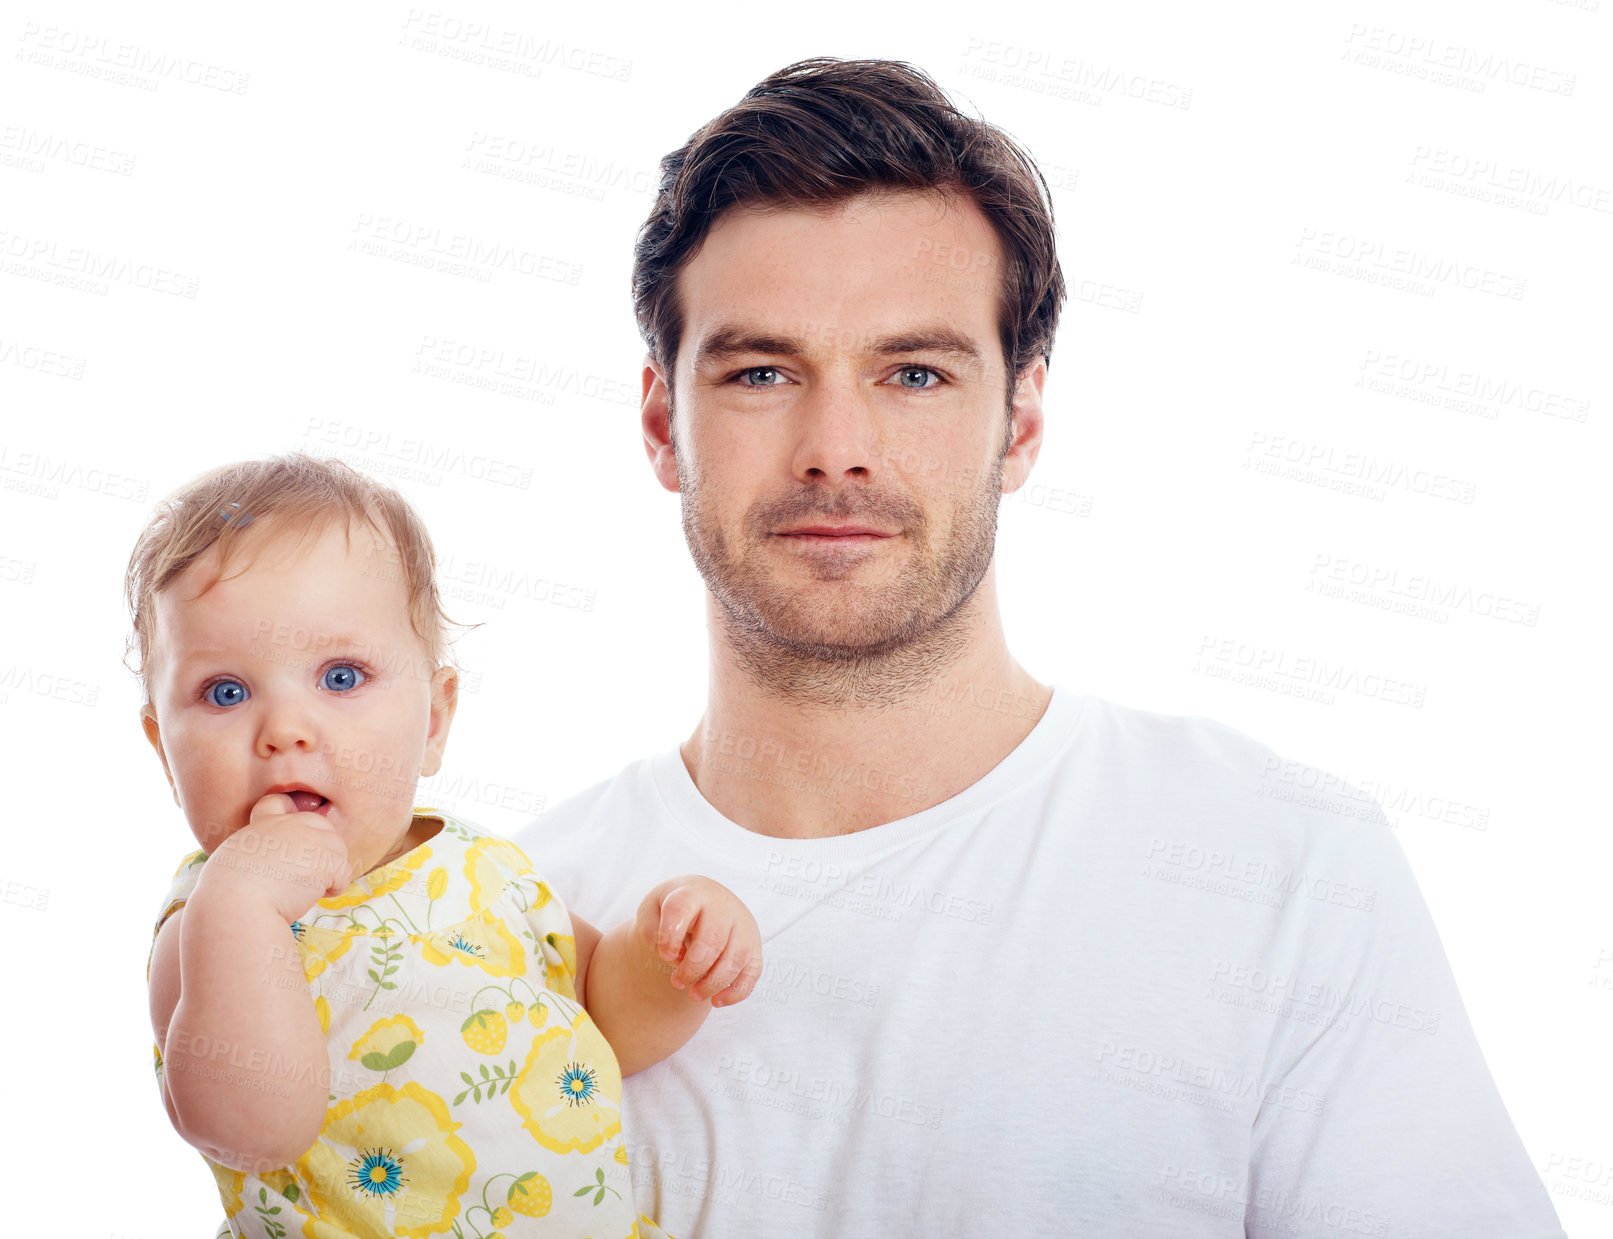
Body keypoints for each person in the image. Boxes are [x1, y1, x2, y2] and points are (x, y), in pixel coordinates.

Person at [517, 58, 1568, 1238]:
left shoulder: (1280, 864)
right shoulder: (508, 924)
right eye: (762, 373)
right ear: (664, 425)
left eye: (912, 373)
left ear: (1017, 423)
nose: (836, 448)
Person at [130, 455, 762, 1238]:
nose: (286, 729)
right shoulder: (208, 923)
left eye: (340, 676)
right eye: (226, 692)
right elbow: (251, 1129)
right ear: (165, 752)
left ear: (432, 719)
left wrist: (671, 953)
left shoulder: (482, 868)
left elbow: (601, 1014)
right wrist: (245, 903)